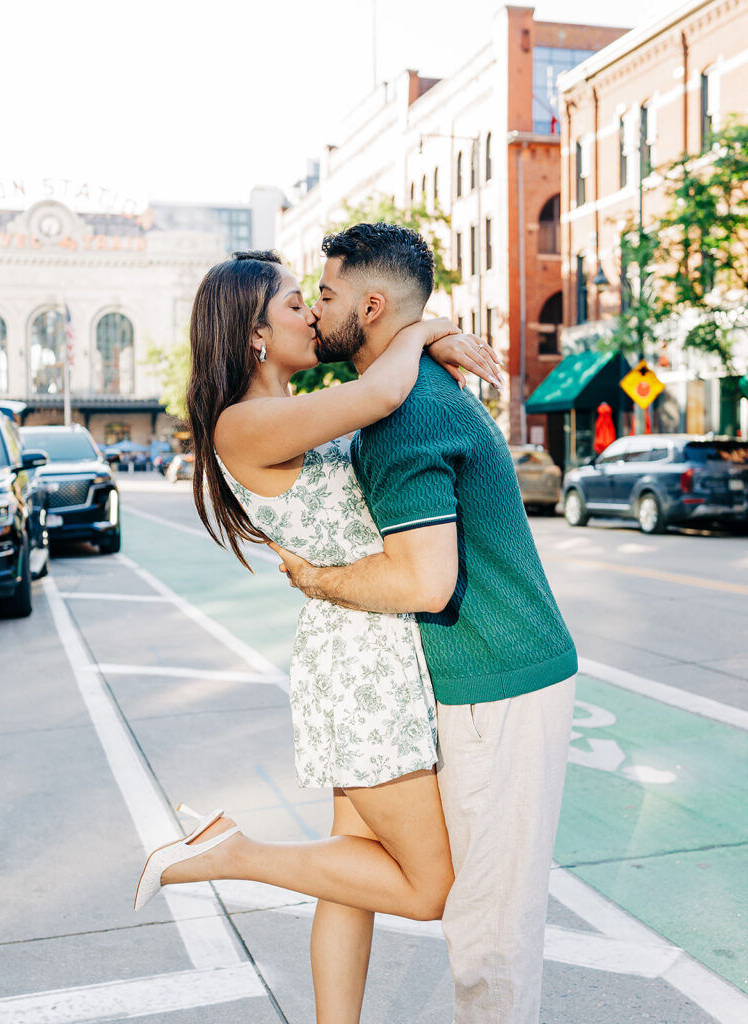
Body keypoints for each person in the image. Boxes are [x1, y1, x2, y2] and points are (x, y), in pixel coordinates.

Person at [133, 245, 503, 1024]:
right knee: (429, 885)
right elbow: (382, 391)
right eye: (296, 301)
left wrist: (422, 334)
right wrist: (426, 327)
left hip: (362, 650)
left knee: (352, 872)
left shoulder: (281, 412)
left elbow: (376, 389)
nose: (312, 311)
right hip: (363, 664)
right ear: (255, 336)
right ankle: (231, 853)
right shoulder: (246, 423)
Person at [272, 222, 578, 1024]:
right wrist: (433, 333)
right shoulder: (403, 396)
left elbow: (425, 578)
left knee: (490, 937)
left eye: (328, 295)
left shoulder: (406, 417)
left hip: (495, 687)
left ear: (372, 307)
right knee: (476, 916)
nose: (315, 311)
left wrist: (318, 581)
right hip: (473, 681)